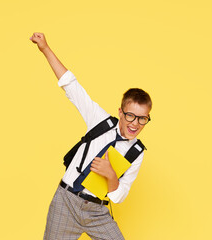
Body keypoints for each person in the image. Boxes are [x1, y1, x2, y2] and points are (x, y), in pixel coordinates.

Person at [29, 32, 152, 240]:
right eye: (130, 116)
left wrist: (111, 175)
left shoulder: (136, 152)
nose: (135, 123)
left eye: (142, 119)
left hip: (97, 212)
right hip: (66, 203)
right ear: (121, 112)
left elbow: (120, 196)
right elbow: (72, 86)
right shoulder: (100, 121)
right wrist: (45, 49)